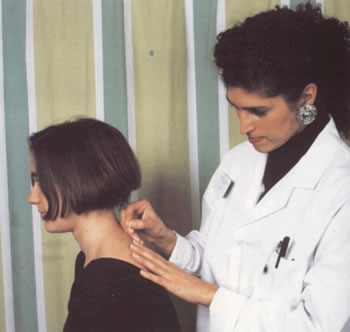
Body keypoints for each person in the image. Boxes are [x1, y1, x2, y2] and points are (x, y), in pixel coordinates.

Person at [121, 3, 350, 332]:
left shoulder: (341, 189)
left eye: (258, 111)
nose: (244, 127)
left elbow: (318, 324)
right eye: (236, 108)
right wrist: (169, 242)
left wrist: (209, 296)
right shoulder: (237, 162)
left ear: (306, 98)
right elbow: (218, 259)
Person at [27, 118, 181, 332]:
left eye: (41, 182)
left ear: (79, 178)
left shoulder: (105, 280)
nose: (32, 198)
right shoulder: (93, 263)